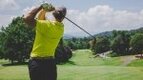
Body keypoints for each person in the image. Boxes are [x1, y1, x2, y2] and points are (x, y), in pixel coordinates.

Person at [23, 3, 67, 80]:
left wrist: (41, 7)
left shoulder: (46, 25)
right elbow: (41, 20)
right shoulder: (60, 28)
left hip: (37, 63)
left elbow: (27, 19)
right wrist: (44, 10)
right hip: (50, 64)